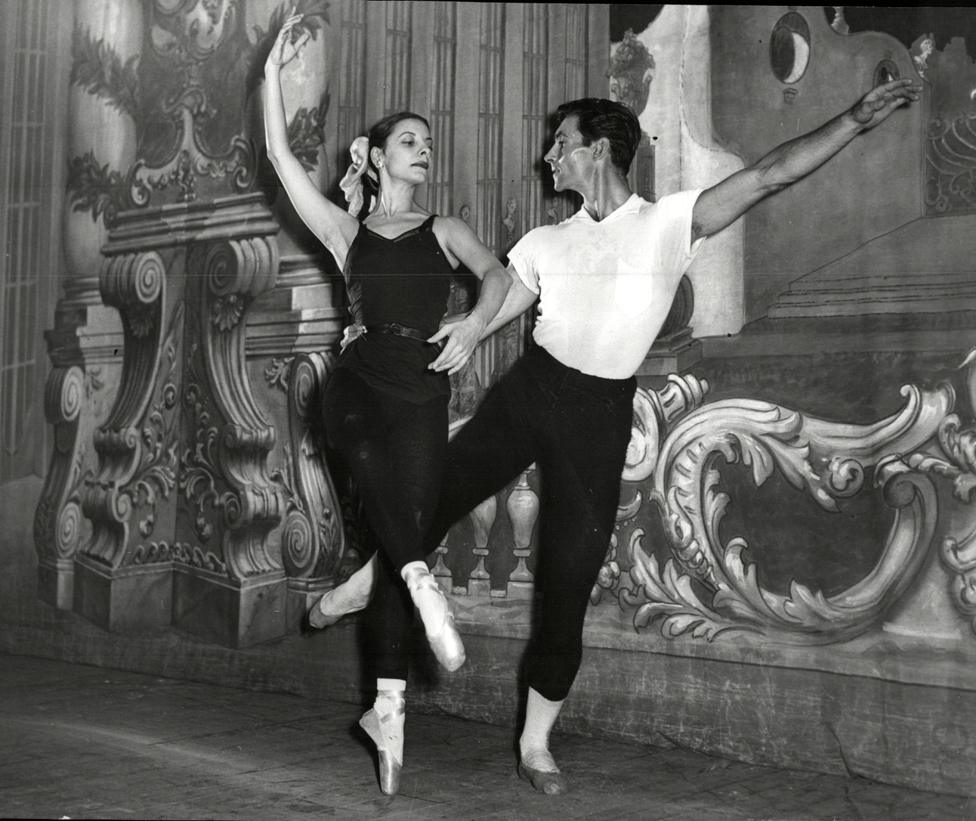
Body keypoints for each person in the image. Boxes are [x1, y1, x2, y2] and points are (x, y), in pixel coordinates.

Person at [316, 76, 922, 794]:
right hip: (531, 394)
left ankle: (536, 743)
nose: (549, 158)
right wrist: (466, 326)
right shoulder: (543, 241)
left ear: (597, 149)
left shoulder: (670, 223)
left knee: (568, 583)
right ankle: (374, 576)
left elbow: (766, 176)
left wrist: (852, 118)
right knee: (424, 503)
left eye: (560, 145)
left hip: (598, 416)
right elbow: (490, 303)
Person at [263, 13, 512, 796]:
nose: (424, 149)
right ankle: (421, 586)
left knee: (396, 539)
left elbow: (498, 277)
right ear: (375, 158)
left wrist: (473, 325)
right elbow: (278, 157)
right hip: (356, 381)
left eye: (427, 141)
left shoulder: (444, 228)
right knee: (390, 512)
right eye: (410, 139)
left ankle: (388, 709)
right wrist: (271, 75)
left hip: (423, 389)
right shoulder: (346, 231)